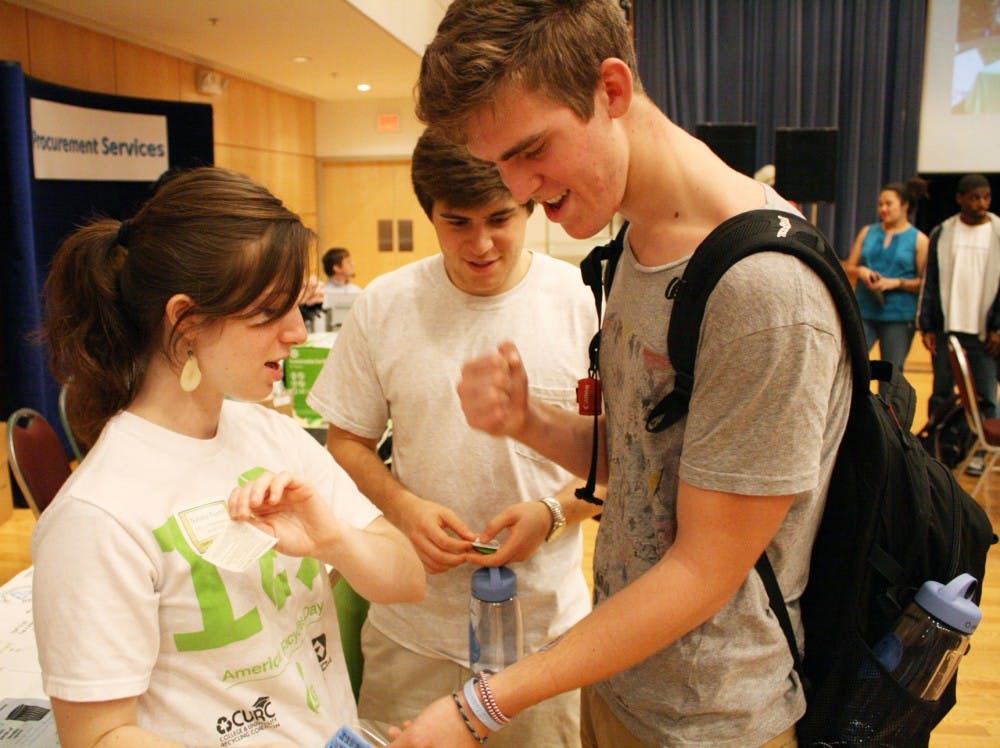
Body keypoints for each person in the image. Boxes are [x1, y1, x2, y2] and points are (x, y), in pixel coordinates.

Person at [392, 1, 852, 746]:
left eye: (531, 149)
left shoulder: (764, 292)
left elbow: (704, 570)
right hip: (618, 682)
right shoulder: (639, 243)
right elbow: (649, 468)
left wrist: (482, 704)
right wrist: (532, 424)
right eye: (499, 162)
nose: (518, 188)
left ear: (610, 89)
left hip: (714, 720)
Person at [32, 166, 424, 748]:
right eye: (271, 312)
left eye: (298, 305)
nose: (296, 331)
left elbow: (407, 577)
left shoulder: (274, 436)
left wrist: (334, 541)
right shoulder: (98, 513)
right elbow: (97, 736)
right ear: (187, 321)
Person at [305, 127, 599, 747]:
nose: (482, 243)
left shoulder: (582, 300)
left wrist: (552, 513)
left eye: (499, 218)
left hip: (546, 637)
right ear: (430, 216)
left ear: (529, 204)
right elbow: (348, 440)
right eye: (457, 222)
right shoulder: (385, 305)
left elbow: (625, 462)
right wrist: (404, 508)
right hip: (412, 629)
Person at [917, 173, 1000, 473]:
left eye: (987, 197)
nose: (982, 203)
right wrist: (926, 325)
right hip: (947, 329)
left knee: (987, 397)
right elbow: (931, 282)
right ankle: (937, 451)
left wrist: (998, 327)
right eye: (976, 197)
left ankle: (980, 453)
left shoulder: (998, 232)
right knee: (941, 393)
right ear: (960, 198)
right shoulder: (944, 232)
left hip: (985, 333)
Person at [843, 177, 930, 383]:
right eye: (880, 204)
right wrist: (861, 271)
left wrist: (896, 283)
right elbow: (849, 267)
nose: (883, 208)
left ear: (904, 205)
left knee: (891, 375)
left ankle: (888, 415)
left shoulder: (919, 239)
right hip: (864, 310)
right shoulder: (867, 232)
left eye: (889, 204)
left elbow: (923, 284)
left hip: (898, 316)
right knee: (851, 365)